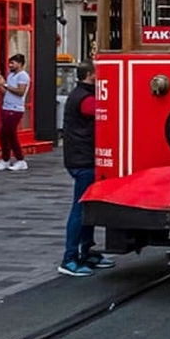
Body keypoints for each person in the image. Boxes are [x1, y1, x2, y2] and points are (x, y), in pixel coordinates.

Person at [58, 61, 116, 277]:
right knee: (80, 208)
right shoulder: (85, 98)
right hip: (83, 160)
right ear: (91, 75)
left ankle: (87, 252)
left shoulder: (81, 94)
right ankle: (70, 258)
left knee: (87, 207)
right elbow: (105, 113)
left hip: (81, 158)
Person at [0, 53, 30, 171]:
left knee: (4, 134)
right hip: (7, 107)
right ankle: (16, 159)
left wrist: (5, 84)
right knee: (11, 135)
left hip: (15, 108)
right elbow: (6, 92)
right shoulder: (10, 75)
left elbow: (20, 92)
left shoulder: (23, 76)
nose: (10, 65)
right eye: (10, 63)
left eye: (13, 63)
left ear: (20, 64)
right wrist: (0, 85)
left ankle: (8, 159)